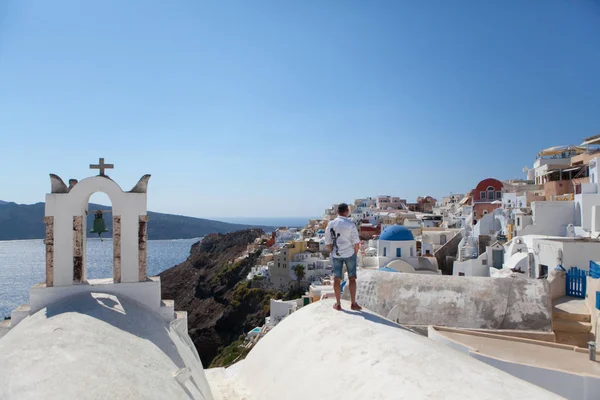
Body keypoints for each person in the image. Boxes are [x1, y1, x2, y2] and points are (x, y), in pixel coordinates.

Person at [325, 203, 362, 311]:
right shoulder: (350, 224)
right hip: (350, 253)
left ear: (337, 212)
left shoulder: (331, 224)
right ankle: (353, 303)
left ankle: (338, 304)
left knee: (337, 279)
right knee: (352, 278)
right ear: (347, 211)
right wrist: (355, 253)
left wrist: (333, 251)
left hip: (336, 254)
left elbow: (327, 242)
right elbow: (356, 242)